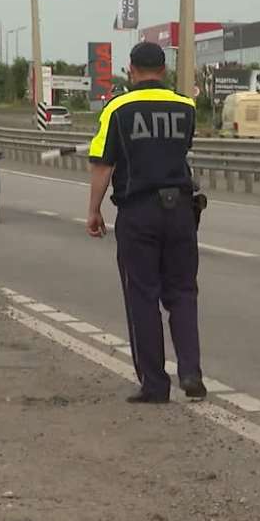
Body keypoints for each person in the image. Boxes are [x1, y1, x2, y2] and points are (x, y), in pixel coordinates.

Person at [86, 41, 205, 404]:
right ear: (164, 70)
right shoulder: (186, 106)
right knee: (183, 293)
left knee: (142, 296)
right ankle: (191, 372)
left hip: (139, 212)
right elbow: (179, 149)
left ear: (131, 69)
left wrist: (94, 210)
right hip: (182, 210)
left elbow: (103, 164)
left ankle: (155, 384)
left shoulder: (117, 108)